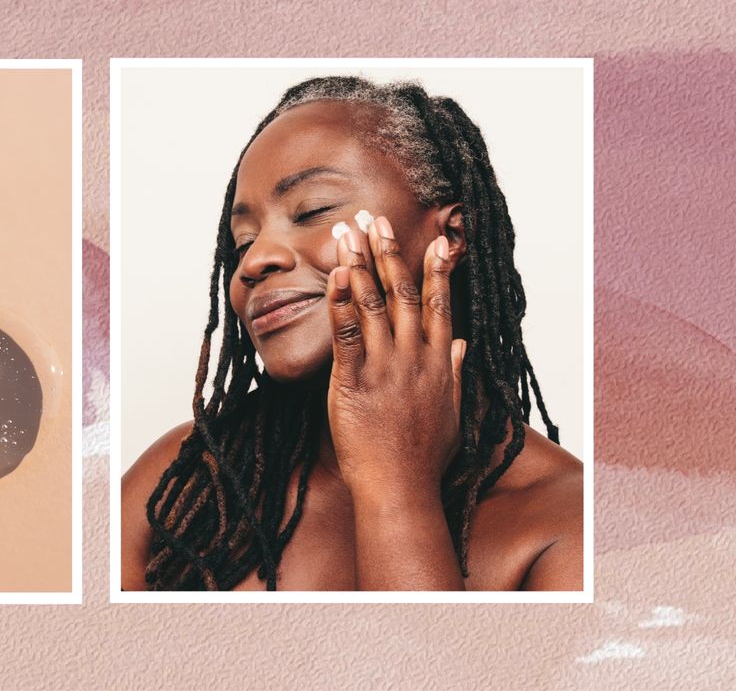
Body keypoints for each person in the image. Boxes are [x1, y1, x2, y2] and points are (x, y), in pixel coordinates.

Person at [121, 76, 583, 591]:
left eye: (313, 210)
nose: (254, 260)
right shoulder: (187, 483)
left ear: (451, 236)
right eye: (242, 241)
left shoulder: (568, 525)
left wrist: (397, 487)